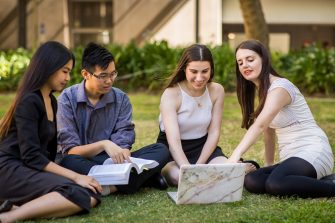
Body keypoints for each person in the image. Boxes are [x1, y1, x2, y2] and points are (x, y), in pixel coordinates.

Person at [0, 41, 102, 223]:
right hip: (9, 170)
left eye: (69, 71)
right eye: (64, 71)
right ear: (48, 67)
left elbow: (47, 154)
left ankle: (14, 206)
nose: (68, 77)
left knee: (88, 194)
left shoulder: (51, 101)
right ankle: (9, 216)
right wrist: (77, 176)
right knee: (80, 192)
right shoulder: (29, 101)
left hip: (28, 168)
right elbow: (32, 156)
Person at [57, 42, 170, 195]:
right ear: (85, 74)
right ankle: (142, 179)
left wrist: (123, 151)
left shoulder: (121, 98)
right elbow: (71, 151)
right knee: (67, 162)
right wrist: (104, 144)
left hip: (115, 162)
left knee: (161, 149)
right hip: (82, 161)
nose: (110, 80)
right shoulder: (67, 99)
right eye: (103, 76)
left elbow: (124, 139)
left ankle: (110, 185)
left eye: (113, 74)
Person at [227, 39, 335, 198]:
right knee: (253, 180)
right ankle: (325, 180)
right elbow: (268, 132)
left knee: (275, 184)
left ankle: (331, 187)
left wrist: (234, 156)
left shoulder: (280, 87)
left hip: (312, 151)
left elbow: (260, 125)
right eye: (240, 62)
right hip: (291, 159)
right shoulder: (263, 92)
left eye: (250, 60)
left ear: (263, 59)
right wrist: (268, 165)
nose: (244, 65)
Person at [157, 44, 258, 186]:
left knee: (214, 169)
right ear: (184, 69)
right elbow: (173, 142)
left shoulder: (217, 90)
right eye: (193, 71)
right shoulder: (171, 94)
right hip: (173, 150)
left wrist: (199, 165)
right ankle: (230, 172)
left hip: (203, 147)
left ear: (211, 69)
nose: (199, 78)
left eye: (205, 71)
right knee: (178, 177)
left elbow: (214, 132)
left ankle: (226, 170)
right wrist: (189, 170)